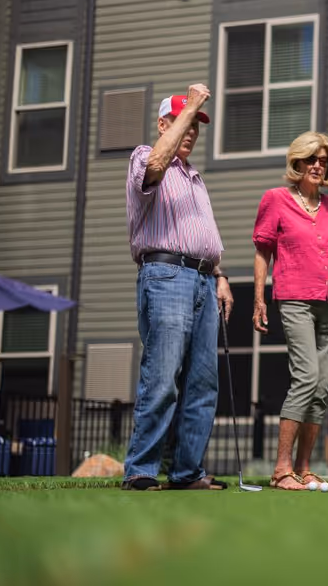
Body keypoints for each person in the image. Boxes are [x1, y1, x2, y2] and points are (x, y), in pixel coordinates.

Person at [122, 84, 234, 491]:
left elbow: (201, 236)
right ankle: (142, 469)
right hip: (166, 276)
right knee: (163, 376)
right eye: (182, 122)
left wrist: (220, 277)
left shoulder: (195, 178)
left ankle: (187, 472)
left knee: (203, 383)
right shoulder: (146, 158)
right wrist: (193, 106)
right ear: (162, 123)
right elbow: (154, 164)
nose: (191, 131)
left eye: (196, 126)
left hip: (204, 278)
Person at [252, 131, 328, 491]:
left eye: (323, 161)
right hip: (294, 298)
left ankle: (305, 468)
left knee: (323, 387)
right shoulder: (276, 200)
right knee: (307, 376)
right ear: (297, 162)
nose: (317, 166)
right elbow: (263, 250)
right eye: (311, 159)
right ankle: (281, 469)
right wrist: (260, 299)